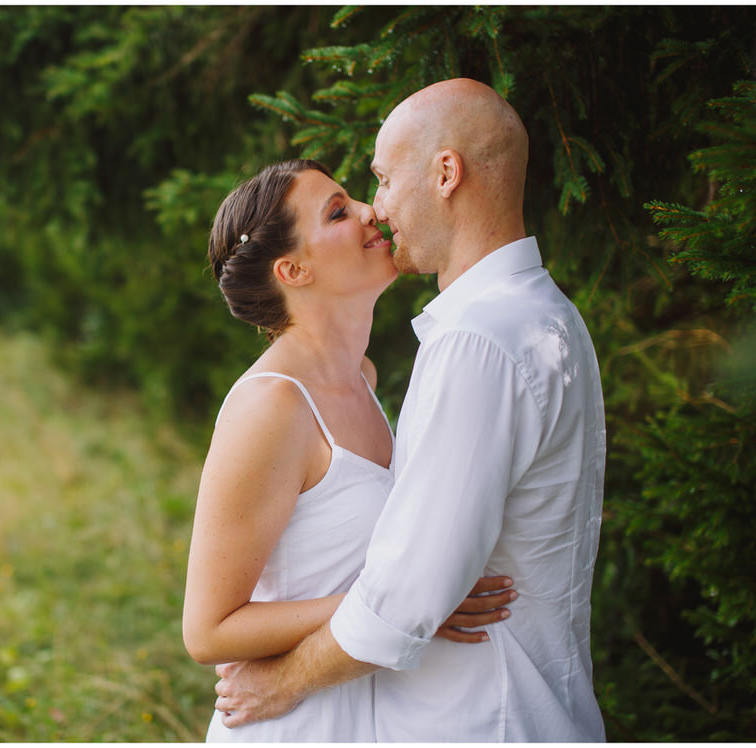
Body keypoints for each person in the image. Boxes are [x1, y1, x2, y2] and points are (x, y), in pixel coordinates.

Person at [212, 79, 607, 742]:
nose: (378, 208)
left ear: (446, 173)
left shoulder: (476, 342)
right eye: (347, 205)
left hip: (485, 718)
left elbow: (406, 601)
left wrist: (280, 682)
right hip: (523, 705)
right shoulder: (547, 316)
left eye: (383, 179)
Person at [183, 158, 517, 742]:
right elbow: (208, 632)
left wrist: (407, 602)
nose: (372, 212)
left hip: (366, 713)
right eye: (339, 212)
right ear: (294, 269)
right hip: (288, 725)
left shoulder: (360, 374)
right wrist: (407, 604)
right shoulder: (271, 407)